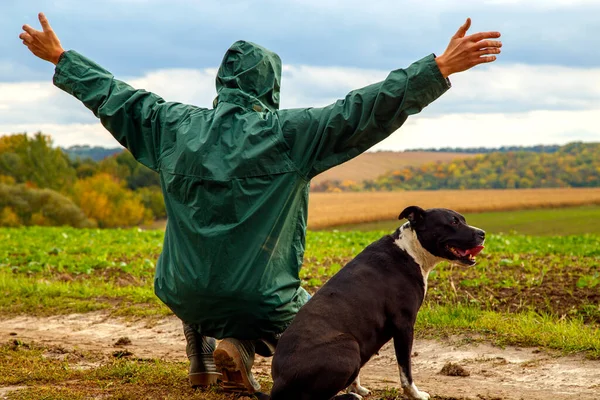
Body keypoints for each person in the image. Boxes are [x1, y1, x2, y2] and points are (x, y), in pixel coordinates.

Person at [20, 12, 501, 394]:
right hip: (258, 297)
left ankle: (203, 354)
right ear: (271, 86)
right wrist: (436, 70)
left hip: (179, 288)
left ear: (221, 83)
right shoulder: (288, 134)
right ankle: (241, 347)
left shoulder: (171, 125)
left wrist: (61, 57)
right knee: (316, 324)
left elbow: (116, 96)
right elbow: (361, 110)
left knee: (208, 282)